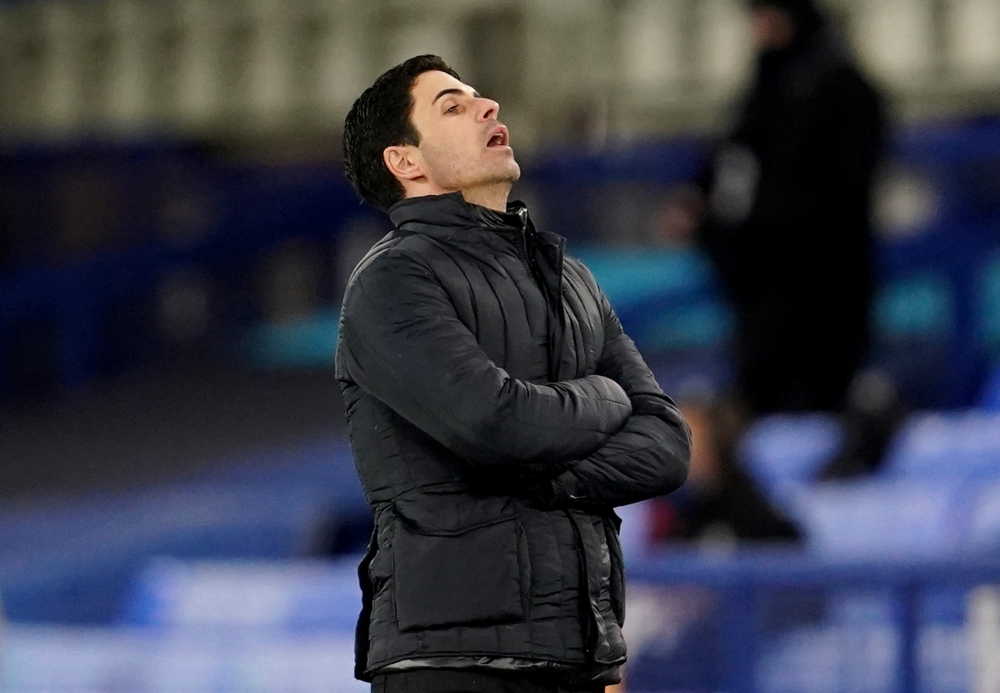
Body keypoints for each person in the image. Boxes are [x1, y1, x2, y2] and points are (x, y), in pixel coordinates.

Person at [337, 55, 692, 692]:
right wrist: (605, 398)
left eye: (479, 96)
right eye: (452, 105)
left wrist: (538, 475)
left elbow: (667, 445)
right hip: (453, 662)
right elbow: (493, 422)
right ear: (406, 162)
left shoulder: (572, 279)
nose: (488, 107)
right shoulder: (392, 280)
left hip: (582, 651)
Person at [698, 0, 886, 416]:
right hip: (764, 281)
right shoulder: (764, 90)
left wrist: (768, 219)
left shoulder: (841, 91)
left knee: (822, 392)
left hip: (824, 280)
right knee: (767, 390)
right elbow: (729, 161)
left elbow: (843, 188)